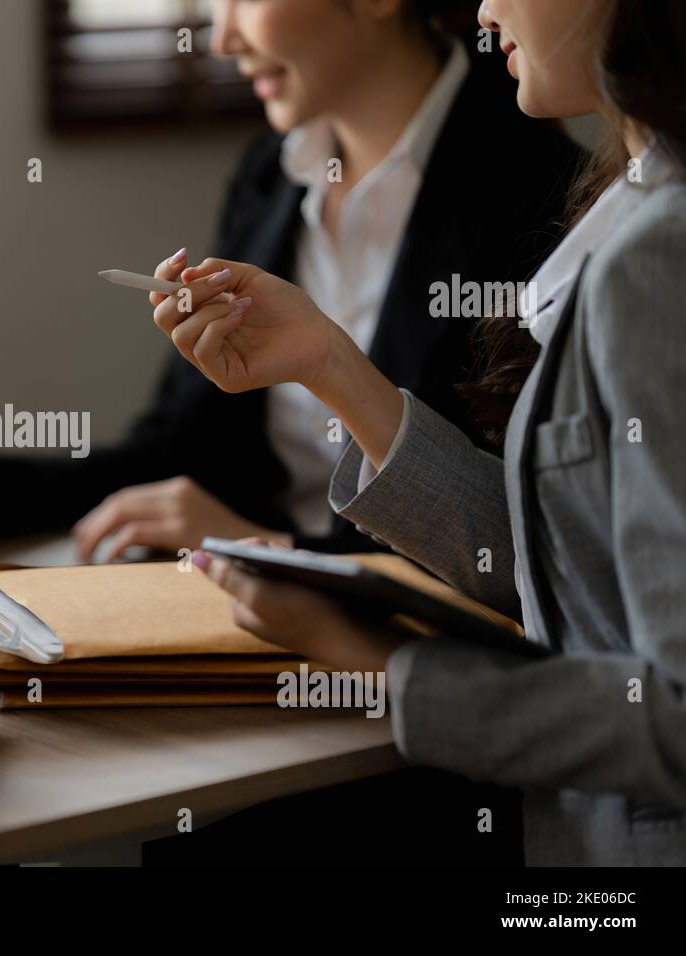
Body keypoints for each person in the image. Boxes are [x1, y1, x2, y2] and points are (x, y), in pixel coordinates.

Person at [0, 0, 582, 561]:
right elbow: (174, 457)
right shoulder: (272, 175)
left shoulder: (542, 195)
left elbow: (512, 552)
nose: (222, 36)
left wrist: (266, 549)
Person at [161, 0, 686, 865]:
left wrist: (374, 658)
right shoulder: (630, 212)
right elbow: (570, 573)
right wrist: (330, 363)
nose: (481, 8)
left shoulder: (656, 261)